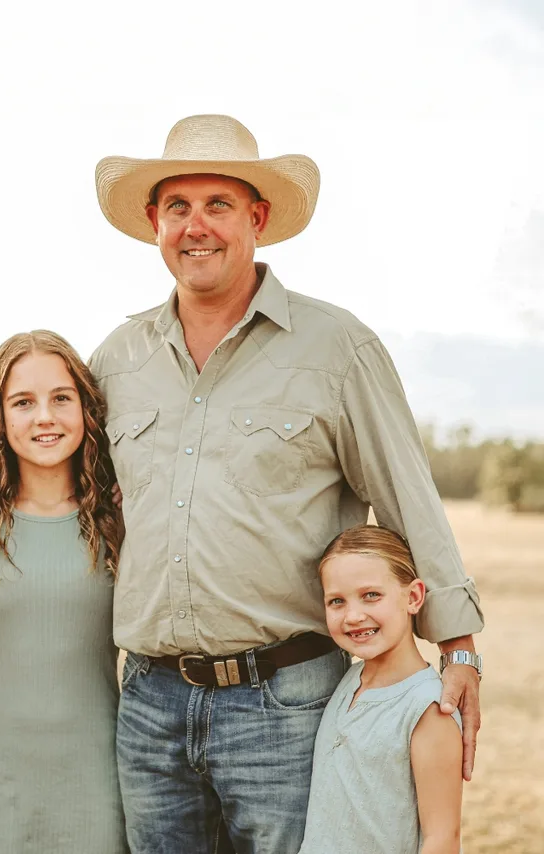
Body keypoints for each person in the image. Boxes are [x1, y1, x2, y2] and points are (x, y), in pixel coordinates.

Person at [89, 114, 484, 852]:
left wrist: (458, 647)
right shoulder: (118, 358)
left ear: (257, 219)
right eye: (178, 206)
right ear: (154, 223)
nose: (195, 226)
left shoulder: (336, 348)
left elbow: (408, 497)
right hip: (149, 702)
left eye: (218, 205)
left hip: (287, 702)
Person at [0, 330, 128, 854]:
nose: (44, 416)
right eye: (23, 402)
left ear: (86, 410)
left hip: (99, 777)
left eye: (61, 399)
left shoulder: (118, 521)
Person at [300, 525, 463, 853]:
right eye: (337, 601)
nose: (353, 616)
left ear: (413, 597)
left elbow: (442, 837)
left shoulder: (428, 708)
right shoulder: (348, 679)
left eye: (371, 595)